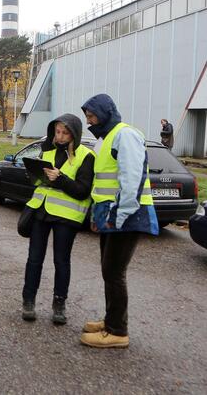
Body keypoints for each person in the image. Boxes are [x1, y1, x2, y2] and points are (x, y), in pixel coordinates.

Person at [80, 94, 158, 349]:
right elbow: (103, 184)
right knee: (108, 271)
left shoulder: (125, 135)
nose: (90, 121)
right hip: (111, 216)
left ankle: (117, 331)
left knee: (114, 273)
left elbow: (131, 179)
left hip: (125, 215)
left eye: (92, 116)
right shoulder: (108, 138)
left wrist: (120, 218)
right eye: (87, 117)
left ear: (104, 113)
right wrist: (97, 218)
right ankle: (110, 320)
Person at [22, 114, 95, 325]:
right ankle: (28, 301)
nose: (60, 137)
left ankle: (59, 305)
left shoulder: (86, 156)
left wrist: (60, 178)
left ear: (75, 134)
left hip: (66, 216)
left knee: (61, 261)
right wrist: (34, 175)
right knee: (34, 259)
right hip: (41, 211)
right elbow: (38, 182)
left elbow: (82, 191)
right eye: (57, 132)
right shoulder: (47, 150)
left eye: (64, 133)